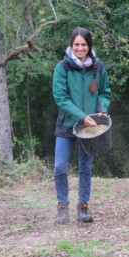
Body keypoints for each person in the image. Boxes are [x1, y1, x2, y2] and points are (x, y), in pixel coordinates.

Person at [52, 27, 111, 224]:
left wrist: (102, 108)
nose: (80, 48)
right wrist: (81, 116)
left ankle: (83, 206)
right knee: (60, 167)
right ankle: (62, 207)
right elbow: (60, 97)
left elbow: (104, 92)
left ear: (89, 46)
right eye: (76, 44)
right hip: (67, 124)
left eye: (83, 45)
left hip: (91, 128)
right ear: (71, 45)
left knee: (85, 168)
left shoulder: (99, 67)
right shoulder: (62, 67)